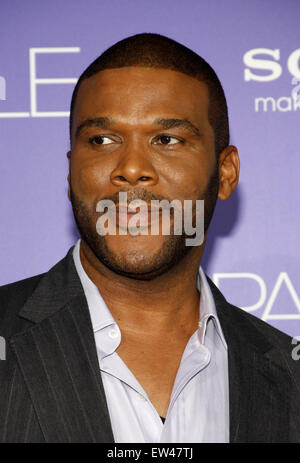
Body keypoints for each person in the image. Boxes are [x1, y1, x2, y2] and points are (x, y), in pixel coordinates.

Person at [0, 33, 299, 443]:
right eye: (102, 140)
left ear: (225, 173)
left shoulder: (290, 372)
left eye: (168, 140)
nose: (133, 167)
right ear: (71, 173)